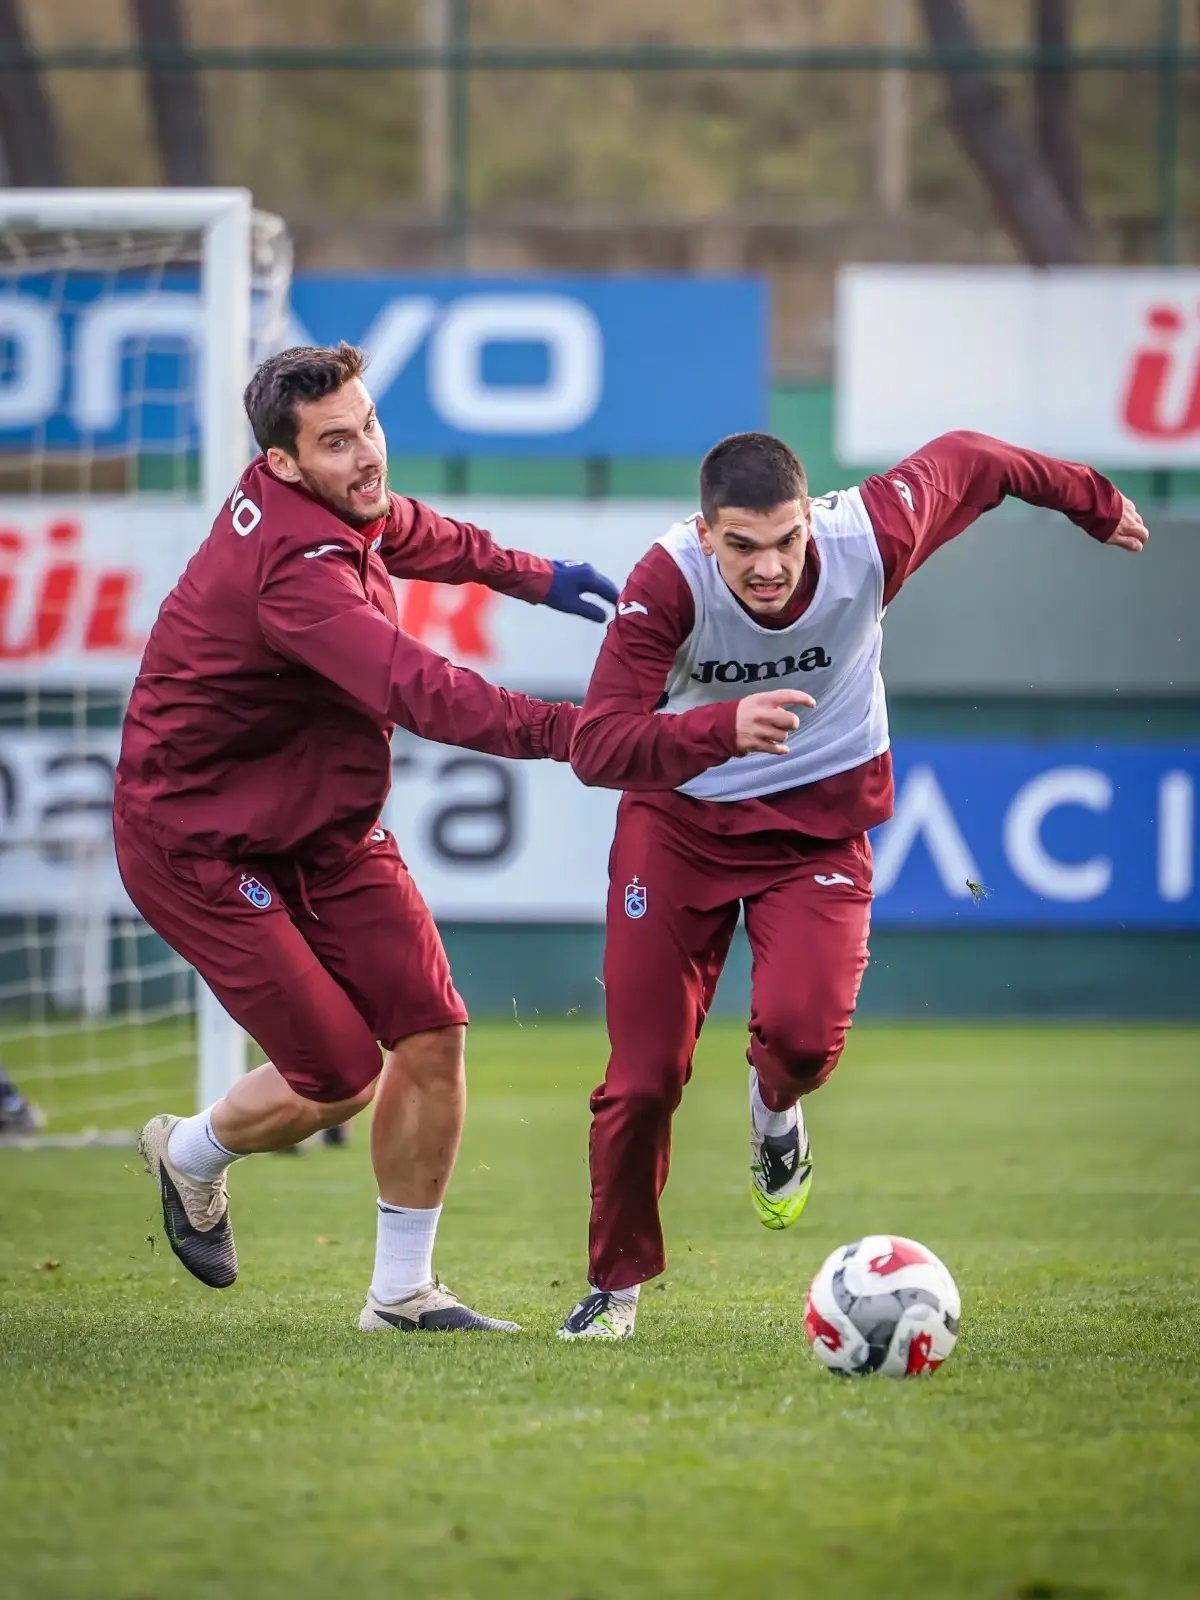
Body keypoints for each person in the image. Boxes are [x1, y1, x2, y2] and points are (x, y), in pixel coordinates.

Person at [555, 428, 1149, 1339]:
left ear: (809, 521)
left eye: (786, 540)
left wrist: (1091, 499)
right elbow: (598, 745)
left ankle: (773, 1110)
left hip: (816, 830)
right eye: (743, 546)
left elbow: (976, 461)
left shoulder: (871, 533)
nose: (768, 568)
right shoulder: (666, 580)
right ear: (706, 533)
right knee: (642, 1081)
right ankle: (616, 1287)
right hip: (677, 829)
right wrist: (720, 729)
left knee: (799, 1044)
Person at [115, 341, 616, 1334]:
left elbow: (411, 527)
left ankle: (400, 1294)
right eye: (338, 441)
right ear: (283, 462)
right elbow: (419, 688)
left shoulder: (329, 498)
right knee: (340, 1075)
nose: (367, 453)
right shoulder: (294, 574)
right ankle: (189, 1153)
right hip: (200, 843)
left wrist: (539, 576)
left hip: (322, 828)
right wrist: (575, 731)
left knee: (431, 1030)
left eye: (370, 424)